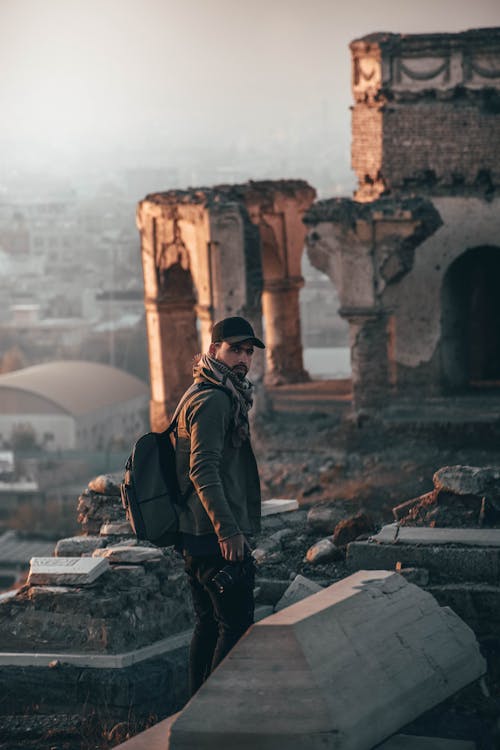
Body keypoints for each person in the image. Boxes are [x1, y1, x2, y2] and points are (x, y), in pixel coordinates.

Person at [174, 316, 264, 695]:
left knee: (209, 624)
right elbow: (202, 469)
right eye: (235, 349)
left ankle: (195, 712)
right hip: (213, 534)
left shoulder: (206, 388)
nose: (244, 358)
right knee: (235, 625)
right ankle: (214, 714)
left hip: (197, 532)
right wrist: (229, 531)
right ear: (214, 350)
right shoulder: (213, 399)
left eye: (249, 350)